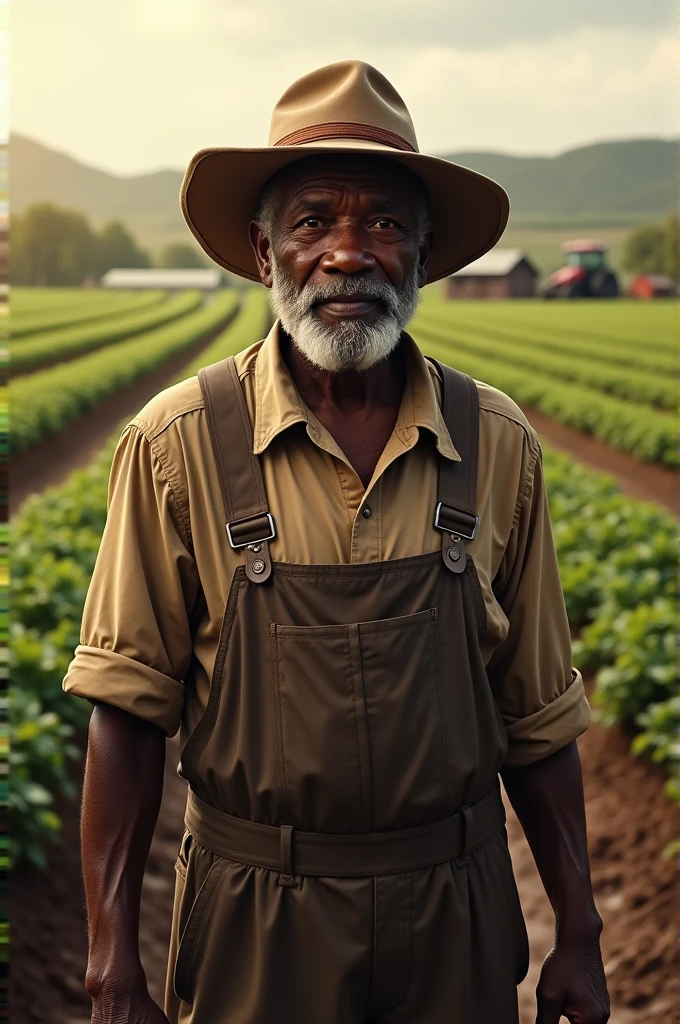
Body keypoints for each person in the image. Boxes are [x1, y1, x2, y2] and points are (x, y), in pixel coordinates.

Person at [62, 60, 610, 1024]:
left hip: (458, 910)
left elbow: (537, 716)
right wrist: (112, 964)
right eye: (313, 219)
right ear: (265, 251)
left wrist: (579, 931)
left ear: (424, 254)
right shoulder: (178, 442)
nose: (348, 254)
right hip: (253, 920)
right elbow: (126, 712)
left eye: (385, 223)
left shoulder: (496, 442)